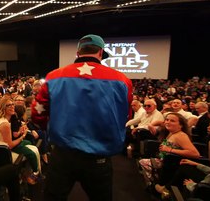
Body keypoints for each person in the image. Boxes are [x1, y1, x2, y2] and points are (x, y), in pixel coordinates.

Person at [31, 34, 133, 201]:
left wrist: (49, 128)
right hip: (98, 158)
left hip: (62, 155)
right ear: (100, 52)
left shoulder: (54, 76)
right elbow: (125, 117)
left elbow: (37, 113)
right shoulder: (122, 80)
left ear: (78, 53)